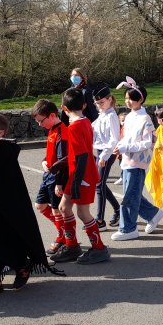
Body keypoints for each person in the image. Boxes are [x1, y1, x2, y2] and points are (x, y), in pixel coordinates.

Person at [0, 114, 63, 298]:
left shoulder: (7, 151)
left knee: (3, 241)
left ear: (0, 133)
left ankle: (21, 265)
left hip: (4, 208)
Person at [49, 87, 109, 264]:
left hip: (81, 176)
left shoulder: (74, 127)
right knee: (64, 207)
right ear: (83, 105)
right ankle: (72, 245)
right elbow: (78, 153)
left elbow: (82, 156)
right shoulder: (85, 121)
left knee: (83, 213)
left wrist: (76, 183)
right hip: (79, 174)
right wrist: (60, 164)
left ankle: (99, 248)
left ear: (64, 108)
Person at [109, 77, 163, 242]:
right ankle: (153, 214)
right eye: (126, 98)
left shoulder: (145, 118)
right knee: (132, 194)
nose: (128, 101)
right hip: (127, 160)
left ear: (141, 99)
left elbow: (147, 143)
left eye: (131, 99)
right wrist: (120, 146)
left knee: (129, 197)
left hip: (137, 162)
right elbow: (126, 137)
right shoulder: (130, 116)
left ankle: (128, 229)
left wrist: (125, 147)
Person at [31, 99, 69, 256]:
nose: (40, 125)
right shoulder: (52, 129)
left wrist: (59, 183)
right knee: (40, 206)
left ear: (52, 115)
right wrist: (44, 161)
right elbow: (50, 154)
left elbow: (63, 160)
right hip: (48, 176)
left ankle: (63, 237)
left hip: (56, 178)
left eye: (41, 121)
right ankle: (64, 232)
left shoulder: (62, 132)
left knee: (56, 210)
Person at [91, 87, 121, 230]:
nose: (99, 105)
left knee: (99, 184)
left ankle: (100, 220)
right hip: (100, 151)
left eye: (101, 102)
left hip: (108, 152)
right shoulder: (102, 114)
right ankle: (118, 210)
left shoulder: (111, 116)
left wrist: (103, 156)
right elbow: (93, 129)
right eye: (97, 103)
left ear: (109, 99)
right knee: (100, 183)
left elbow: (114, 139)